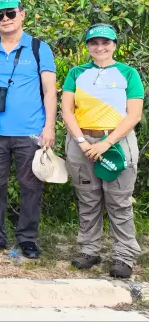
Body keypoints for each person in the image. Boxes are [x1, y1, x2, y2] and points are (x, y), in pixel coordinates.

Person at [0, 0, 57, 259]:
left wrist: (49, 127)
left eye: (10, 13)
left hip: (30, 131)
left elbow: (49, 90)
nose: (5, 19)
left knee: (31, 186)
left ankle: (28, 238)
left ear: (22, 14)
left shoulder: (38, 48)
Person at [61, 24, 144, 279]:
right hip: (81, 143)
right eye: (94, 42)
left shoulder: (128, 73)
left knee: (119, 201)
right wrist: (82, 141)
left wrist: (106, 144)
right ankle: (89, 249)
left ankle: (124, 256)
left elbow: (134, 115)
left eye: (105, 42)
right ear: (87, 46)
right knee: (88, 199)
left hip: (117, 143)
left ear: (114, 45)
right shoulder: (76, 73)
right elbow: (66, 110)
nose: (100, 47)